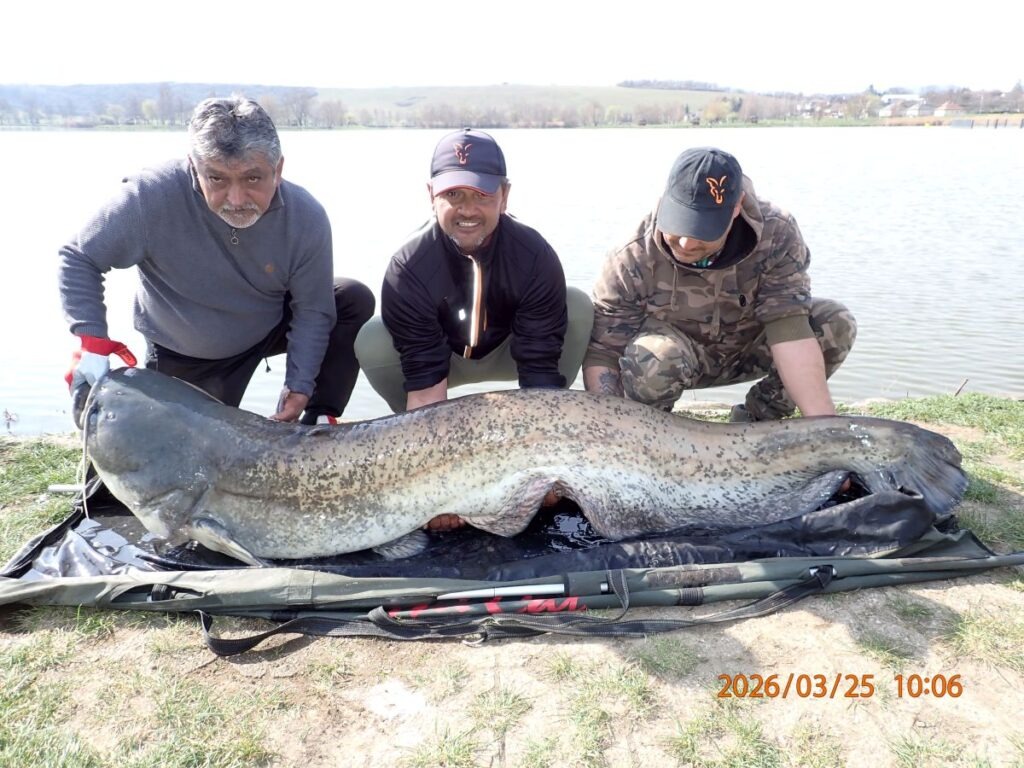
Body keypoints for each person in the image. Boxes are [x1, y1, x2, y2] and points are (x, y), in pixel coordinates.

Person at [60, 96, 374, 424]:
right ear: (194, 168)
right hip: (186, 352)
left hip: (266, 323)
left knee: (350, 298)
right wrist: (92, 341)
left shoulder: (305, 217)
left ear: (278, 169)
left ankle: (319, 424)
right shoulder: (148, 197)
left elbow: (312, 310)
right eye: (217, 179)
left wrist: (300, 384)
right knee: (173, 449)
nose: (236, 200)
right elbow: (79, 255)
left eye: (253, 178)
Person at [354, 127, 593, 529]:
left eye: (481, 195)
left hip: (508, 352)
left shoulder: (534, 255)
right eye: (454, 195)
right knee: (373, 339)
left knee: (578, 306)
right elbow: (426, 384)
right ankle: (410, 442)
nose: (467, 210)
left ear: (505, 195)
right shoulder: (407, 268)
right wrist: (436, 490)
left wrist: (544, 471)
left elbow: (538, 375)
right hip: (443, 361)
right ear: (431, 195)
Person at [584, 146, 856, 421]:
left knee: (835, 322)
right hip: (670, 361)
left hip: (748, 347)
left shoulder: (777, 233)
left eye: (703, 230)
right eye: (678, 224)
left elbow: (789, 329)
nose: (686, 243)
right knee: (655, 357)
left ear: (737, 206)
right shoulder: (631, 255)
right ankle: (653, 429)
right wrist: (611, 425)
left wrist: (824, 424)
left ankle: (759, 421)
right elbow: (605, 352)